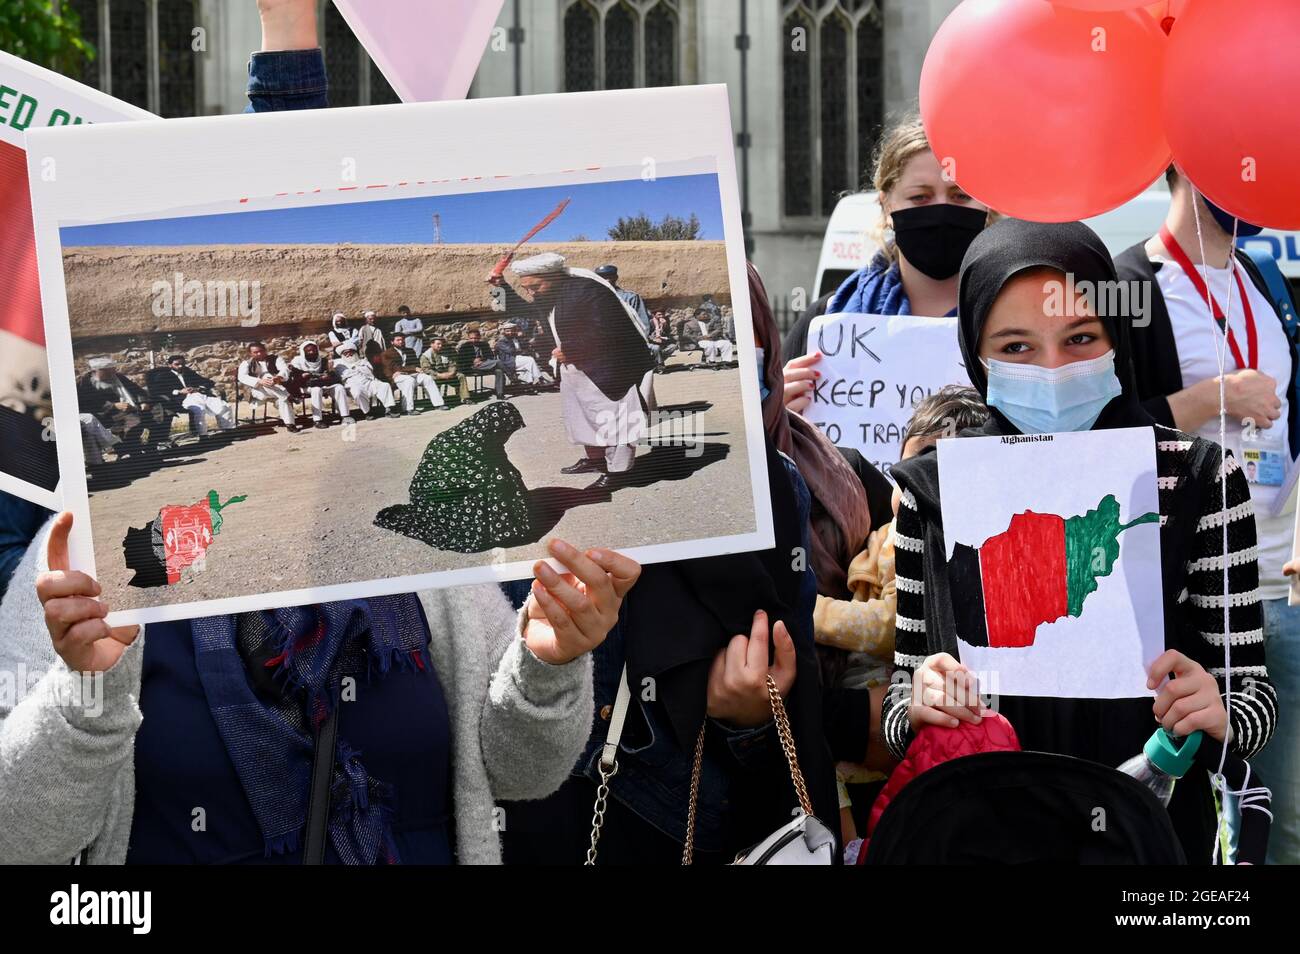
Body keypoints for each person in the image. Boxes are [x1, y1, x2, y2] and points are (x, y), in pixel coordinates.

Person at [0, 4, 645, 866]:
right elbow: (21, 835)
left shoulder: (421, 543)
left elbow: (520, 773)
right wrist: (90, 692)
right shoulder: (82, 556)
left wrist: (550, 661)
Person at [884, 218, 1277, 863]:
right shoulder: (935, 493)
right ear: (974, 353)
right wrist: (922, 703)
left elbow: (1254, 699)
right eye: (1015, 347)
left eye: (1080, 338)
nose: (1053, 369)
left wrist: (1217, 709)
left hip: (1147, 842)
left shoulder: (1201, 479)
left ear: (1117, 337)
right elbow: (901, 702)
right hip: (985, 843)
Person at [500, 274, 837, 864]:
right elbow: (467, 719)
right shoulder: (524, 506)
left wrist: (749, 715)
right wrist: (545, 660)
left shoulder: (775, 488)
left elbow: (796, 706)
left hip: (682, 825)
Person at [1117, 166, 1300, 865]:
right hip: (1194, 594)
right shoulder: (1130, 283)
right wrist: (1212, 397)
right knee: (1185, 814)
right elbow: (1110, 434)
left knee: (1278, 818)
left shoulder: (1263, 279)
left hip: (1279, 582)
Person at [813, 385, 987, 851]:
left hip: (896, 704)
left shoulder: (935, 542)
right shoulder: (884, 532)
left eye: (939, 468)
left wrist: (811, 614)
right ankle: (851, 849)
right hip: (864, 709)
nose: (920, 481)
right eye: (915, 464)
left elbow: (889, 625)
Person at [781, 113, 992, 413]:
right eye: (920, 197)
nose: (942, 209)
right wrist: (779, 415)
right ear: (886, 205)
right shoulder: (825, 321)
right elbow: (776, 453)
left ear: (985, 203)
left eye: (959, 195)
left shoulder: (1015, 323)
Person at [489, 252, 654, 491]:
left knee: (615, 420)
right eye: (527, 289)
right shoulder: (550, 293)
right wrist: (499, 286)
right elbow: (519, 311)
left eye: (535, 287)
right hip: (574, 367)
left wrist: (572, 349)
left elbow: (609, 330)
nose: (531, 293)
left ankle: (618, 472)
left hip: (607, 368)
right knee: (583, 417)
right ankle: (596, 460)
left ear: (554, 276)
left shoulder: (589, 290)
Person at [76, 356, 155, 458]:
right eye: (108, 371)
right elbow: (87, 404)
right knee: (130, 421)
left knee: (158, 412)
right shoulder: (85, 383)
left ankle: (148, 448)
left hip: (131, 408)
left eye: (112, 370)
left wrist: (143, 402)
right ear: (96, 371)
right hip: (104, 414)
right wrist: (113, 406)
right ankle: (126, 450)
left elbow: (137, 390)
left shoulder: (118, 377)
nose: (112, 373)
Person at [146, 354, 236, 440]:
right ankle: (203, 436)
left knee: (224, 406)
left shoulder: (188, 372)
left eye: (182, 364)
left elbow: (208, 382)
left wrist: (198, 388)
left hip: (200, 395)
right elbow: (157, 391)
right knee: (199, 410)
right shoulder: (163, 377)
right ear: (170, 365)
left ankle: (228, 432)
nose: (180, 366)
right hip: (184, 399)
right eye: (177, 364)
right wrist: (179, 391)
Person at [237, 341, 298, 432]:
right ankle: (288, 395)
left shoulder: (276, 359)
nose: (259, 353)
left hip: (276, 387)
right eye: (255, 352)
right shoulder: (246, 363)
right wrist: (259, 381)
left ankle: (290, 424)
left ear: (265, 350)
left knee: (282, 399)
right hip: (258, 391)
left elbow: (284, 369)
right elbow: (242, 377)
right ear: (250, 353)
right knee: (267, 380)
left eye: (261, 351)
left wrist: (278, 377)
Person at [379, 332, 445, 414]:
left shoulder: (409, 350)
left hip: (409, 373)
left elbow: (415, 363)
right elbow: (395, 368)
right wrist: (413, 368)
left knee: (427, 378)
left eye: (402, 340)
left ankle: (438, 404)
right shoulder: (386, 354)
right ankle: (408, 409)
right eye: (398, 340)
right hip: (395, 376)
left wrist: (415, 369)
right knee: (409, 381)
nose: (401, 342)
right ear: (392, 342)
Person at [288, 340, 349, 428]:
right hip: (306, 386)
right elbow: (297, 377)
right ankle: (317, 420)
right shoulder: (298, 361)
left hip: (323, 383)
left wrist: (329, 373)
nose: (312, 352)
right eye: (308, 351)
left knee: (339, 387)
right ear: (303, 352)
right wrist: (308, 376)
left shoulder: (323, 360)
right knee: (316, 390)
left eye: (314, 350)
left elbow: (330, 374)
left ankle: (345, 416)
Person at [333, 339, 398, 419]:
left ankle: (389, 409)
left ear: (355, 352)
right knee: (357, 392)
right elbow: (342, 376)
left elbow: (370, 371)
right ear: (342, 354)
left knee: (384, 386)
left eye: (351, 352)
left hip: (368, 381)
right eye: (346, 353)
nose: (349, 354)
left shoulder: (363, 361)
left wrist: (358, 368)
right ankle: (367, 412)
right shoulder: (339, 364)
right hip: (352, 384)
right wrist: (356, 370)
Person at [594, 263, 651, 333]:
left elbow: (643, 324)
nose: (605, 280)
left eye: (608, 277)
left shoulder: (630, 298)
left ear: (615, 277)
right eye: (602, 277)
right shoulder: (593, 299)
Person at [455, 326, 507, 401]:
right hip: (472, 367)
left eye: (475, 338)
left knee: (499, 371)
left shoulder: (484, 344)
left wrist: (481, 359)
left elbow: (490, 356)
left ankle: (499, 393)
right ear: (468, 338)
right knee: (498, 362)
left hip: (485, 365)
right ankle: (512, 375)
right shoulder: (464, 347)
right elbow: (461, 360)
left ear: (479, 337)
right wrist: (473, 361)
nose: (473, 340)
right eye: (471, 338)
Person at [495, 322, 548, 389]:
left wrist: (528, 343)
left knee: (528, 364)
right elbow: (511, 351)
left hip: (519, 358)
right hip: (509, 360)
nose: (510, 333)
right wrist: (522, 351)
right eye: (507, 331)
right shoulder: (502, 341)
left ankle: (529, 385)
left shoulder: (517, 338)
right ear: (504, 332)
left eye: (512, 331)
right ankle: (540, 378)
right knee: (530, 360)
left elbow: (526, 345)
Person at [421, 335, 470, 404]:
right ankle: (436, 401)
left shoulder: (448, 352)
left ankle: (465, 398)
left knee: (461, 376)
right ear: (432, 344)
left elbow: (453, 363)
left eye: (441, 344)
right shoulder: (426, 355)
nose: (440, 346)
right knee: (430, 379)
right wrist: (439, 375)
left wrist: (451, 373)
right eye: (438, 344)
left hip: (448, 374)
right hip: (436, 375)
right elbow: (426, 369)